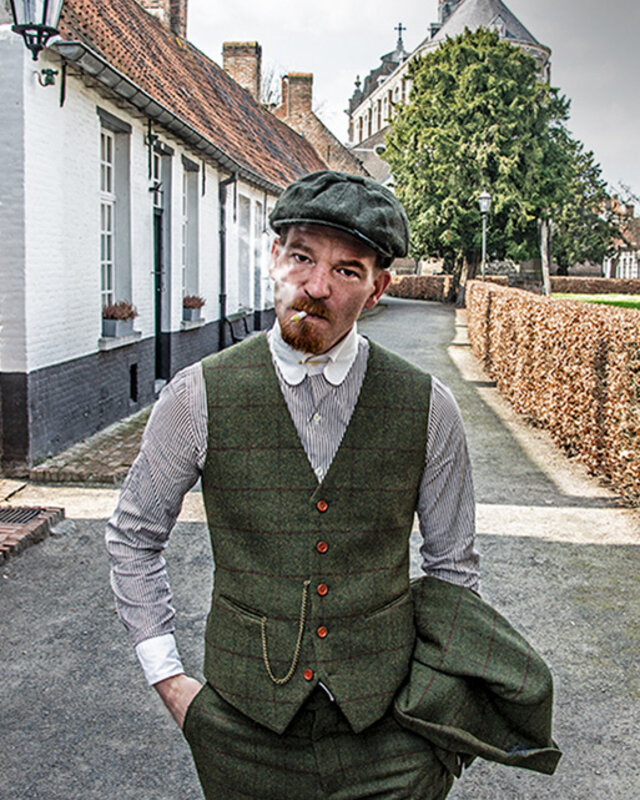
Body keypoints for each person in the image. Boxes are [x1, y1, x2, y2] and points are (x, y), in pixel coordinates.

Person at [106, 171, 559, 800]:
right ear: (273, 258)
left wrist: (433, 725)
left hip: (390, 740)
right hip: (242, 734)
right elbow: (134, 537)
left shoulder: (428, 407)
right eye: (301, 257)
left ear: (378, 288)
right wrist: (173, 685)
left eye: (347, 270)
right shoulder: (199, 396)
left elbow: (454, 570)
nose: (316, 287)